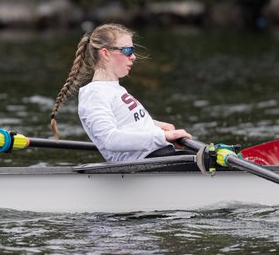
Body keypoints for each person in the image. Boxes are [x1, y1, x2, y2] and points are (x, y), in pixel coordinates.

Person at [49, 23, 192, 162]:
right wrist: (163, 136)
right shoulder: (94, 94)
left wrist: (156, 126)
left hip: (160, 156)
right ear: (105, 54)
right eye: (127, 51)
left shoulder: (113, 89)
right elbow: (110, 139)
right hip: (145, 164)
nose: (133, 56)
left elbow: (125, 122)